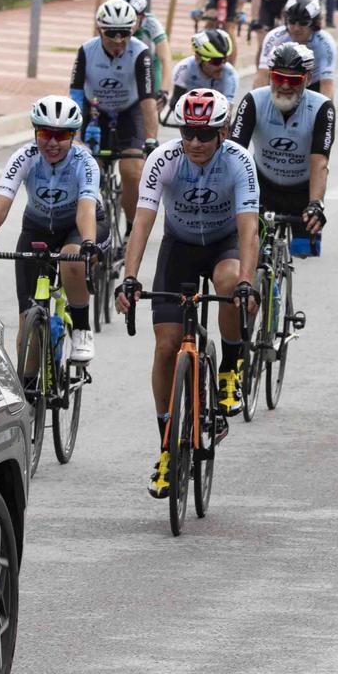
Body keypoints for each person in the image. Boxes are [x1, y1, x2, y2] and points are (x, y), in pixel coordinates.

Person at [116, 89, 260, 497]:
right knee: (165, 347)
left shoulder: (238, 160)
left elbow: (248, 226)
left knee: (230, 283)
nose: (195, 142)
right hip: (178, 249)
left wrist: (248, 281)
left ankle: (231, 367)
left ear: (223, 132)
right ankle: (166, 445)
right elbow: (142, 222)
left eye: (204, 134)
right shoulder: (164, 159)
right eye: (188, 133)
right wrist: (129, 276)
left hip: (223, 243)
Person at [0, 96, 102, 363]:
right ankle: (30, 397)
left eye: (61, 135)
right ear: (35, 132)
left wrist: (89, 242)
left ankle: (81, 329)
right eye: (44, 133)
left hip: (78, 227)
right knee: (27, 325)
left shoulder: (84, 162)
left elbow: (86, 210)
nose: (52, 143)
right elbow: (1, 205)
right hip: (37, 229)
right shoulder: (24, 157)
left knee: (71, 257)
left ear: (72, 135)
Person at [71, 0, 160, 227]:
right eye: (112, 34)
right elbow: (76, 95)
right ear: (100, 30)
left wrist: (151, 139)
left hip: (129, 112)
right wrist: (75, 136)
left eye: (124, 33)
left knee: (132, 170)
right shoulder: (86, 50)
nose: (118, 40)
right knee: (90, 169)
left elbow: (148, 100)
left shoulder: (141, 53)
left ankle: (132, 226)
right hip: (94, 113)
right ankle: (91, 224)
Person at [232, 42, 333, 242]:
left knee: (303, 251)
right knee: (247, 246)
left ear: (308, 79)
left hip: (302, 191)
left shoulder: (322, 107)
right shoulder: (253, 101)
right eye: (279, 78)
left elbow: (320, 161)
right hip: (261, 185)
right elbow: (233, 152)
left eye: (293, 80)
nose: (285, 85)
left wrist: (316, 203)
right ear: (270, 76)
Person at [254, 0, 337, 98]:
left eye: (303, 23)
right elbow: (262, 75)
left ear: (315, 24)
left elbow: (327, 84)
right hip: (281, 81)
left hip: (311, 85)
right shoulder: (275, 37)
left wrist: (326, 112)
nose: (296, 28)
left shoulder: (325, 43)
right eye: (292, 21)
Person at [171, 29, 240, 107]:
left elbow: (227, 110)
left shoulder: (231, 75)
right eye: (216, 61)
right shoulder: (184, 68)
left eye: (225, 59)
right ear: (198, 58)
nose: (222, 65)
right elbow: (176, 102)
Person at [124, 0, 171, 81]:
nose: (127, 23)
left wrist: (163, 90)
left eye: (131, 18)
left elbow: (165, 60)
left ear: (142, 17)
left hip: (149, 68)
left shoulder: (151, 23)